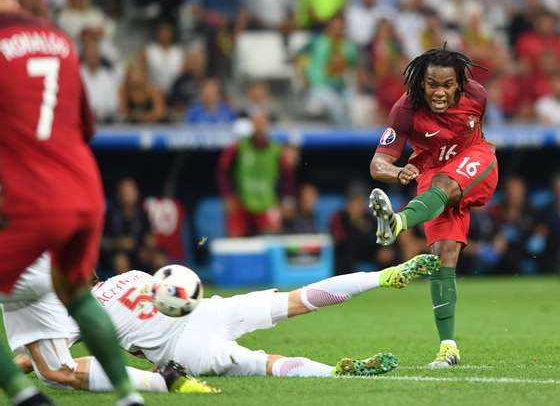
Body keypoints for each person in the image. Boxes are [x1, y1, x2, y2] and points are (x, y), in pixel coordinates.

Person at [0, 0, 143, 405]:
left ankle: (23, 395)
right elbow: (84, 125)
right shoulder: (60, 41)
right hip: (84, 188)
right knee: (77, 292)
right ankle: (128, 395)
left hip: (35, 196)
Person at [12, 254, 441, 381]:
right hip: (210, 308)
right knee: (294, 301)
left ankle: (334, 374)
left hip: (185, 348)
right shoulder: (131, 274)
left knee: (261, 363)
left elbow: (39, 361)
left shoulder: (77, 313)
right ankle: (381, 277)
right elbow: (174, 283)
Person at [368, 46, 499, 368]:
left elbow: (474, 129)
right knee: (442, 254)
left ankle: (397, 222)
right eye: (432, 85)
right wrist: (398, 172)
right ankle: (448, 348)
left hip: (476, 160)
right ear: (421, 83)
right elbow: (377, 163)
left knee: (445, 183)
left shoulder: (478, 96)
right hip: (431, 174)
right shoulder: (405, 109)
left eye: (446, 85)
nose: (439, 92)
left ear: (459, 84)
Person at [1, 254, 219, 395]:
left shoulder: (79, 305)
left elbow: (27, 361)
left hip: (23, 265)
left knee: (52, 369)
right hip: (197, 323)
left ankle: (162, 381)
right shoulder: (133, 275)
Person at [217, 110, 296, 237]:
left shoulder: (278, 150)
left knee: (272, 241)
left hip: (267, 204)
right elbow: (222, 171)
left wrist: (287, 202)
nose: (259, 127)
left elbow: (288, 177)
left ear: (267, 125)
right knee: (234, 239)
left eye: (262, 123)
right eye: (256, 122)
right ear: (252, 125)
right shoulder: (238, 146)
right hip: (242, 203)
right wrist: (228, 196)